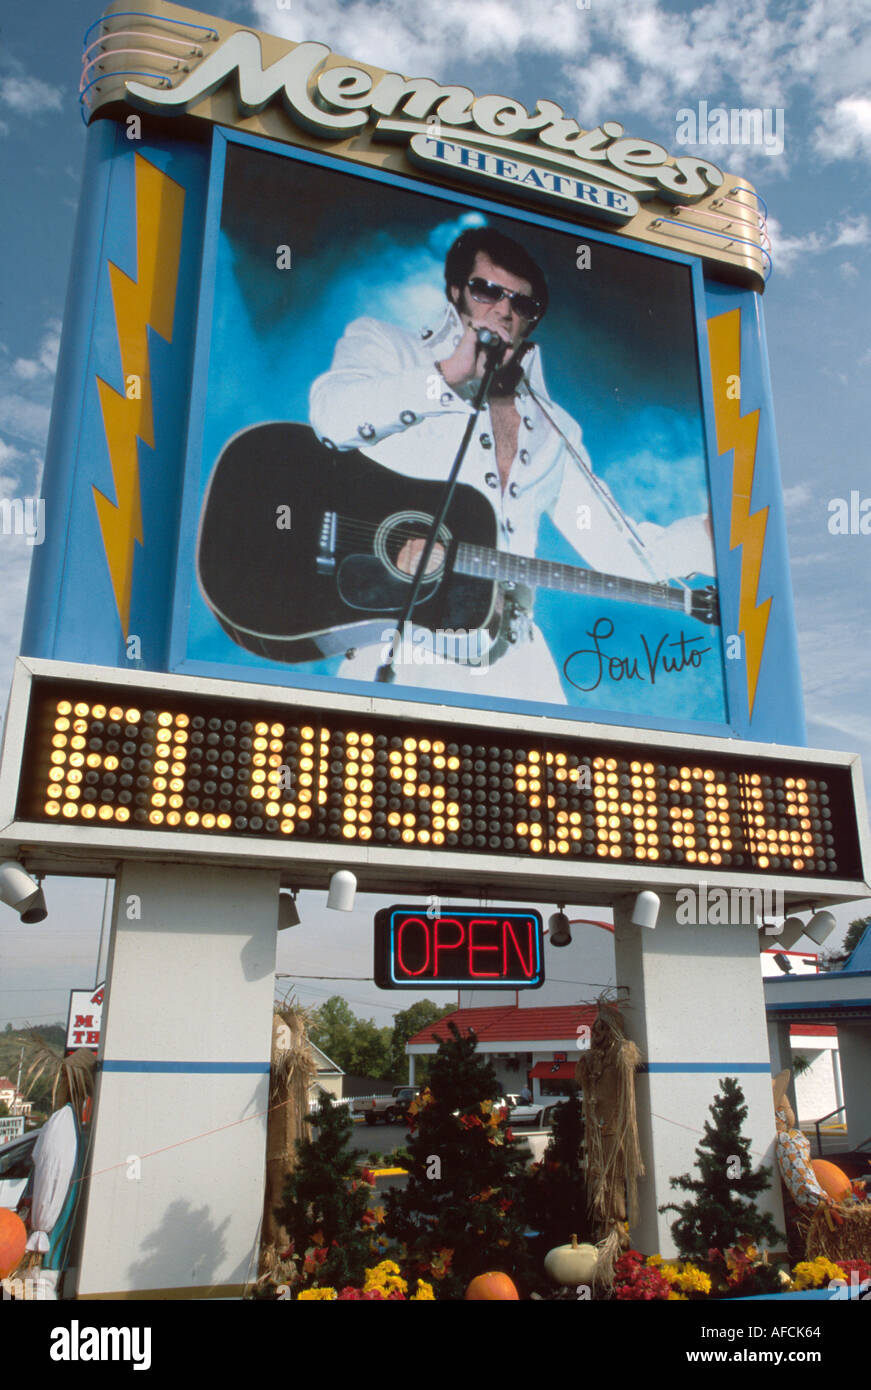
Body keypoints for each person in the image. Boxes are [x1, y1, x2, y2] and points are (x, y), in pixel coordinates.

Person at [309, 226, 714, 703]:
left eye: (521, 303)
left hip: (518, 670)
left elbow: (621, 552)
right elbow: (331, 416)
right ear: (456, 291)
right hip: (400, 654)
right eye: (487, 291)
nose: (503, 309)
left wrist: (716, 538)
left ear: (530, 322)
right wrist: (447, 376)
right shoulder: (389, 346)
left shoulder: (554, 427)